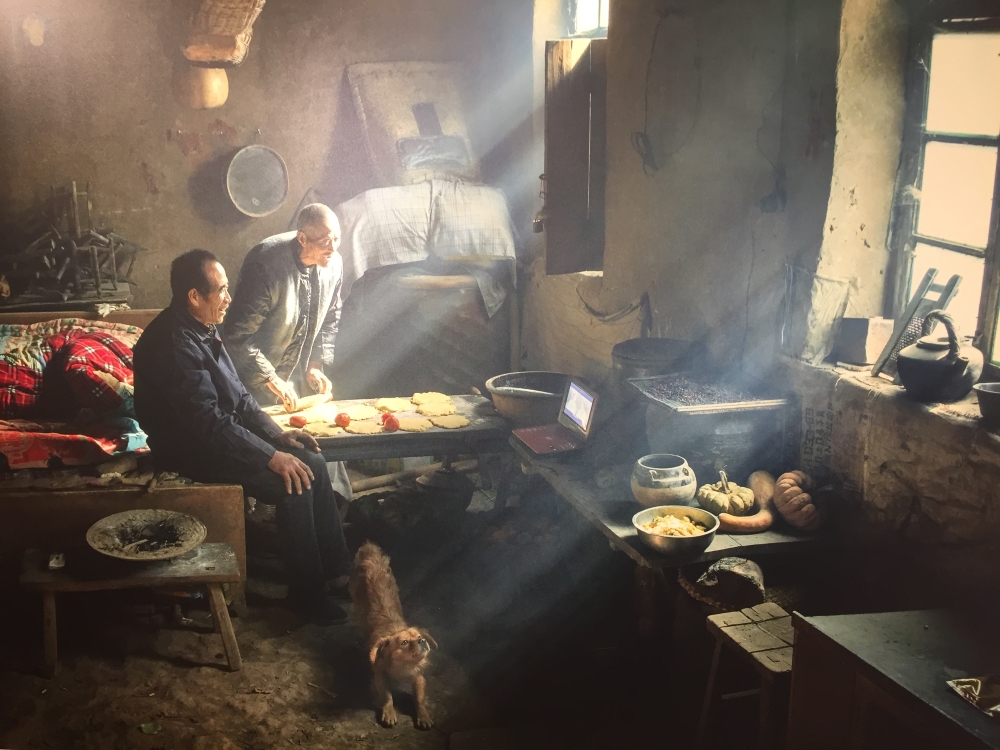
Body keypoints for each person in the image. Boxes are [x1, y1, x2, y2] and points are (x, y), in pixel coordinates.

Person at [133, 249, 351, 624]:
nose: (229, 299)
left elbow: (240, 397)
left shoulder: (203, 326)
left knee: (312, 459)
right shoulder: (172, 344)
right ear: (194, 296)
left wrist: (278, 436)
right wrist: (270, 457)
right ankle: (307, 595)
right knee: (292, 481)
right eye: (221, 291)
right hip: (188, 449)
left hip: (216, 436)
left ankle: (336, 572)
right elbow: (209, 424)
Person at [223, 203, 343, 411]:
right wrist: (270, 377)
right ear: (302, 239)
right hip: (253, 385)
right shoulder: (265, 265)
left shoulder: (334, 263)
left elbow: (330, 317)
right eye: (325, 241)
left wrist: (315, 364)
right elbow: (237, 336)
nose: (333, 248)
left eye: (336, 239)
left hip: (296, 385)